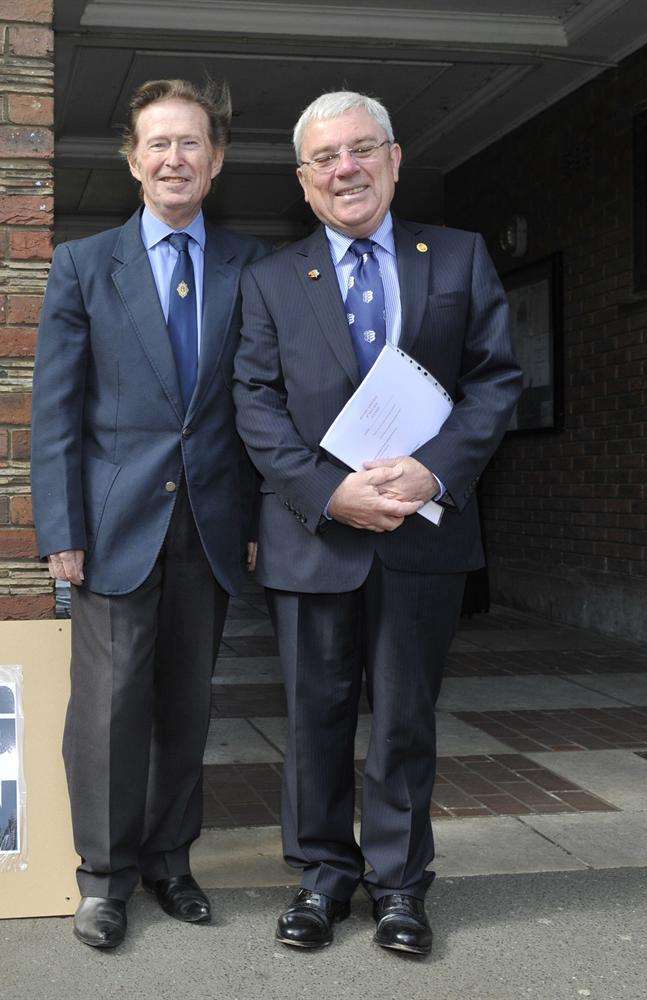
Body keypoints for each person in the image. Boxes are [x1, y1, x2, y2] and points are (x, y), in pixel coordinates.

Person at [232, 90, 521, 956]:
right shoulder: (270, 280)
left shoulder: (459, 258)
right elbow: (254, 404)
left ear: (394, 160)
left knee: (403, 718)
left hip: (423, 535)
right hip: (313, 536)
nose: (344, 168)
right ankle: (321, 878)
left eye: (361, 150)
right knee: (314, 714)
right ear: (304, 180)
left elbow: (495, 382)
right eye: (325, 159)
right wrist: (328, 492)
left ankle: (398, 886)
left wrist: (434, 467)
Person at [31, 78, 268, 949]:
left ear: (215, 161)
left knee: (186, 706)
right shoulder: (83, 266)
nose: (175, 158)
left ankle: (172, 861)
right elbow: (55, 411)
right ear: (132, 160)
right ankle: (103, 877)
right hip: (112, 528)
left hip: (209, 526)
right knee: (106, 708)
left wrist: (257, 516)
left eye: (191, 143)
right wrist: (61, 532)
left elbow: (257, 406)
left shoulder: (253, 267)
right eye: (158, 143)